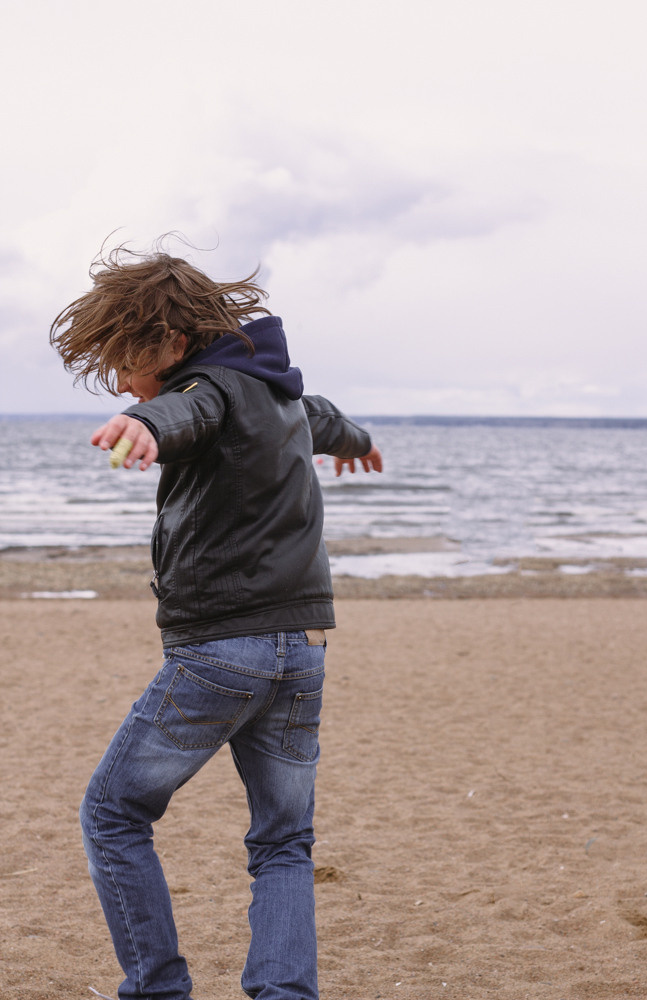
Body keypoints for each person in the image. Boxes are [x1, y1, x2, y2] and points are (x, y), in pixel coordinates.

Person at [50, 242, 382, 1000]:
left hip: (221, 653)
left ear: (171, 343)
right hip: (301, 651)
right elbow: (323, 418)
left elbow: (185, 408)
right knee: (284, 842)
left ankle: (157, 987)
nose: (123, 382)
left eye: (125, 365)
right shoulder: (277, 392)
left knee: (111, 812)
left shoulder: (203, 390)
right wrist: (360, 441)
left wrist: (146, 421)